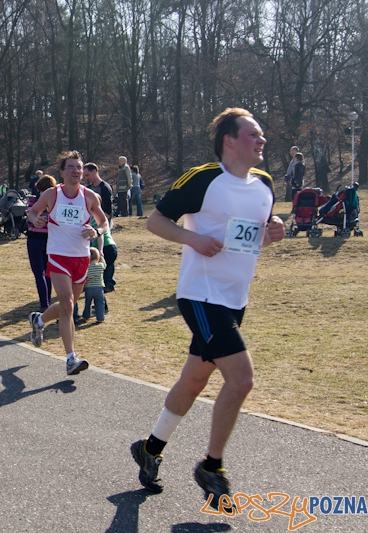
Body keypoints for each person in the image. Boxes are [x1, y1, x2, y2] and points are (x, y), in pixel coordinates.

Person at [130, 108, 284, 509]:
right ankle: (212, 467)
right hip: (201, 295)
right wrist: (191, 239)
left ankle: (150, 447)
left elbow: (252, 242)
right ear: (230, 141)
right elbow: (156, 221)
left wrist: (274, 233)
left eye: (261, 135)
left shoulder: (265, 185)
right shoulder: (203, 179)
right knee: (242, 379)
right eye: (254, 134)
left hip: (236, 299)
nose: (261, 140)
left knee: (195, 381)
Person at [26, 151, 108, 376]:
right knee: (67, 304)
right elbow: (32, 212)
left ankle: (39, 319)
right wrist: (36, 219)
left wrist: (96, 230)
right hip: (58, 254)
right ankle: (71, 358)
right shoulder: (53, 194)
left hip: (81, 257)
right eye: (71, 167)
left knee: (67, 305)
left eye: (79, 168)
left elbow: (104, 222)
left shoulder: (89, 196)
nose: (76, 171)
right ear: (62, 172)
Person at [26, 174, 56, 311]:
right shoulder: (55, 204)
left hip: (34, 239)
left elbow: (29, 216)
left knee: (39, 273)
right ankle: (48, 300)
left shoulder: (34, 201)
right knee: (48, 273)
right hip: (50, 240)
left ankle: (44, 303)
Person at [81, 247, 106, 322]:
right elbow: (104, 265)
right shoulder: (100, 266)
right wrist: (101, 257)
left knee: (87, 303)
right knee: (100, 303)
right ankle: (100, 318)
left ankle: (86, 316)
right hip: (99, 288)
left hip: (88, 288)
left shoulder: (86, 268)